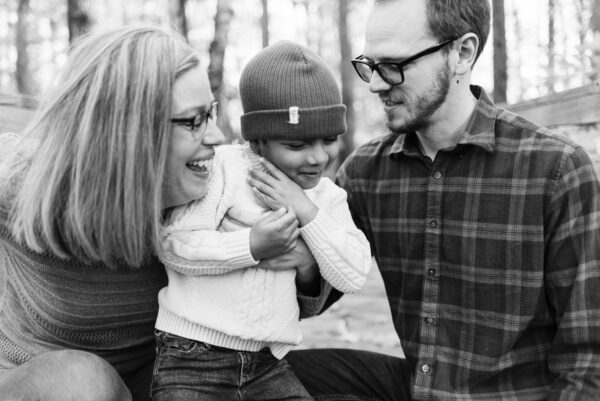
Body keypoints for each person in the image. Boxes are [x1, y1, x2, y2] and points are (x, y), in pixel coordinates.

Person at [286, 0, 600, 400]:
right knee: (266, 378)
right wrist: (297, 257)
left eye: (394, 66)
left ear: (462, 53)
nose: (376, 84)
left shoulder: (555, 168)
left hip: (512, 394)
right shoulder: (366, 172)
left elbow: (588, 358)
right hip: (418, 387)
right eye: (371, 65)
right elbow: (314, 296)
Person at [0, 27, 327, 401]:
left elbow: (276, 307)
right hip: (43, 383)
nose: (217, 137)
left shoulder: (219, 191)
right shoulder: (21, 179)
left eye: (210, 113)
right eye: (192, 121)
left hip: (173, 379)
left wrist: (304, 265)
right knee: (82, 379)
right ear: (124, 130)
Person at [151, 40, 372, 401]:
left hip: (267, 363)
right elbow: (174, 245)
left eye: (330, 139)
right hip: (193, 355)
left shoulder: (326, 198)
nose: (318, 157)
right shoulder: (223, 170)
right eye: (297, 145)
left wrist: (305, 210)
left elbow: (354, 273)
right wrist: (251, 245)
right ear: (256, 142)